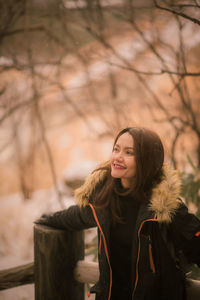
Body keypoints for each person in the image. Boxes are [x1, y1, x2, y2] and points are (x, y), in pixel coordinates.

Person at [35, 127, 200, 300]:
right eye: (116, 149)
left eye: (129, 152)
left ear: (147, 160)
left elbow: (195, 242)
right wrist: (46, 220)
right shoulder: (105, 198)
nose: (118, 157)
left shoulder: (165, 207)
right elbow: (75, 216)